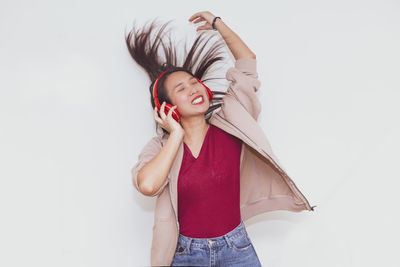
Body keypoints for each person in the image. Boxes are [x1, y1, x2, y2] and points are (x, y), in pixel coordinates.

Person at [126, 11, 316, 266]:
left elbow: (247, 62)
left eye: (194, 82)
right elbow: (147, 186)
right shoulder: (160, 148)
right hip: (185, 255)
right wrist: (176, 135)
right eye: (181, 89)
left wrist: (218, 24)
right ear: (167, 108)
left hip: (236, 248)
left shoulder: (231, 121)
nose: (193, 88)